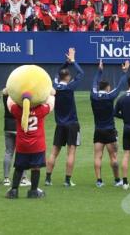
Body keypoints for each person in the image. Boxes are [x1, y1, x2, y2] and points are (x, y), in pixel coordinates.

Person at [6, 88, 56, 198]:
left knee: (19, 167)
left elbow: (9, 103)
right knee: (36, 168)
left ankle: (14, 191)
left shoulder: (18, 110)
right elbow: (51, 103)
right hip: (38, 145)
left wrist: (11, 91)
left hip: (22, 145)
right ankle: (33, 191)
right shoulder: (41, 110)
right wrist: (50, 93)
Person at [46, 48, 84, 187]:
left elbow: (57, 73)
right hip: (72, 124)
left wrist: (66, 63)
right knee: (71, 152)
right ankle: (67, 180)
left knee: (54, 152)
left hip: (59, 124)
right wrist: (73, 62)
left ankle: (48, 179)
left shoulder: (55, 86)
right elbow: (81, 73)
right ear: (68, 78)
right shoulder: (70, 87)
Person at [90, 59, 125, 187]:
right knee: (114, 157)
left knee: (97, 156)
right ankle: (117, 180)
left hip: (98, 131)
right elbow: (120, 86)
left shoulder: (93, 95)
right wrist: (124, 73)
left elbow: (94, 82)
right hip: (110, 130)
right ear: (108, 88)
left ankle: (99, 181)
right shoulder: (110, 96)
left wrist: (99, 70)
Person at [2, 91, 29, 187]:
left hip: (8, 127)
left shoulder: (6, 97)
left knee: (8, 152)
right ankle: (24, 178)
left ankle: (6, 178)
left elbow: (2, 92)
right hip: (18, 127)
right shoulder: (20, 99)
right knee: (22, 152)